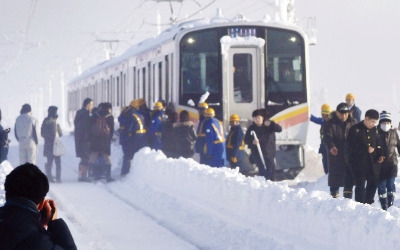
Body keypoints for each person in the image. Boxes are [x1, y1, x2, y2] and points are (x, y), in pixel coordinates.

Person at [0, 163, 77, 249]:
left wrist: (38, 226)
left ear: (6, 196)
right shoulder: (38, 240)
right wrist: (54, 223)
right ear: (41, 204)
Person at [348, 109, 384, 204]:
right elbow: (351, 146)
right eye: (372, 121)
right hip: (358, 163)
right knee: (360, 186)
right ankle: (360, 205)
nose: (373, 124)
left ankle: (369, 203)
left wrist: (380, 155)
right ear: (366, 118)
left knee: (373, 183)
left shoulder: (375, 130)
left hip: (372, 164)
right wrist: (365, 150)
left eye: (375, 122)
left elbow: (378, 144)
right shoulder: (355, 129)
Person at [323, 102, 357, 198]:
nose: (344, 116)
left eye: (346, 113)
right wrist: (331, 147)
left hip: (349, 156)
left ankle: (347, 201)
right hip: (336, 156)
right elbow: (327, 137)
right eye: (341, 113)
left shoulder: (353, 122)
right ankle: (334, 198)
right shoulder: (330, 123)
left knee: (349, 178)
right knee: (335, 179)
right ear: (337, 112)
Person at [244, 109, 282, 181]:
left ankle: (271, 184)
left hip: (269, 152)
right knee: (262, 170)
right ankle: (263, 185)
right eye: (255, 118)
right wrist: (252, 142)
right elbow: (246, 140)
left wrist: (271, 123)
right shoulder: (251, 128)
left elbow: (279, 129)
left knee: (270, 169)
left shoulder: (268, 126)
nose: (257, 120)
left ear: (263, 118)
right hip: (257, 153)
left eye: (258, 118)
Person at [376, 111, 400, 210]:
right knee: (381, 186)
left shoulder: (394, 133)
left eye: (387, 122)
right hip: (380, 165)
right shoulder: (376, 133)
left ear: (390, 123)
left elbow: (398, 146)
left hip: (392, 163)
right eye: (383, 122)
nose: (385, 124)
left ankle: (390, 204)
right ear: (380, 123)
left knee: (391, 185)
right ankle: (383, 205)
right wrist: (377, 157)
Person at [118, 99, 148, 176]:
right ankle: (132, 173)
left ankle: (125, 172)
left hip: (130, 138)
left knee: (127, 155)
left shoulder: (127, 115)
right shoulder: (137, 115)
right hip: (140, 138)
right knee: (132, 155)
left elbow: (128, 128)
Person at [88, 102, 114, 182]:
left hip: (95, 139)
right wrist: (109, 138)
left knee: (93, 155)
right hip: (105, 139)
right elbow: (112, 129)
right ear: (108, 108)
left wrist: (91, 138)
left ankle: (90, 175)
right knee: (107, 157)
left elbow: (90, 127)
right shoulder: (110, 116)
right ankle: (108, 176)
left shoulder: (95, 115)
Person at [41, 106, 63, 183]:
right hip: (55, 145)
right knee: (58, 162)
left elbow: (42, 133)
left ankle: (49, 177)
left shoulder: (45, 121)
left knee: (49, 161)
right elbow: (60, 134)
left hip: (48, 144)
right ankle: (58, 178)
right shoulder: (54, 122)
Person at [74, 98, 94, 182]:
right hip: (85, 139)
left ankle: (81, 175)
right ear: (88, 105)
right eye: (92, 105)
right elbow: (87, 128)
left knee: (83, 157)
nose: (92, 107)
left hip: (79, 138)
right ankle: (83, 176)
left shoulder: (79, 113)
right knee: (86, 157)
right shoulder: (85, 114)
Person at [310, 103, 332, 174]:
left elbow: (316, 120)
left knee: (327, 163)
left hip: (328, 147)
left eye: (323, 114)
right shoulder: (324, 121)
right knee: (325, 162)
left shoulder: (329, 122)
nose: (322, 115)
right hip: (324, 146)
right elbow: (315, 119)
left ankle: (328, 175)